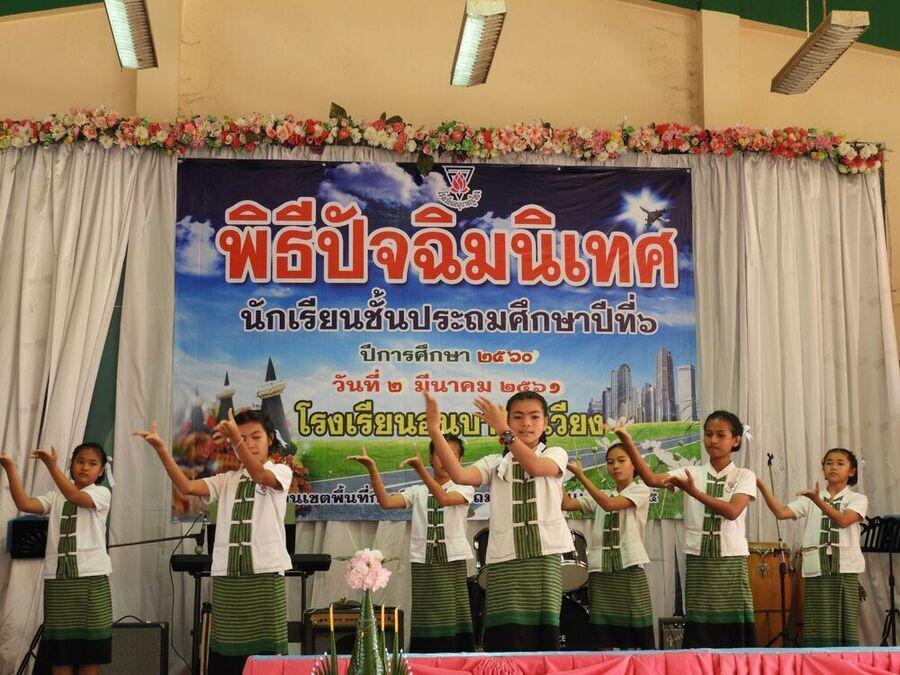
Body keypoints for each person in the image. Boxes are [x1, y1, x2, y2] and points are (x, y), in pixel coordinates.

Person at [134, 410, 292, 675]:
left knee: (266, 657)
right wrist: (161, 450)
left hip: (264, 576)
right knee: (228, 656)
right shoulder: (226, 479)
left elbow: (261, 477)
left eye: (256, 437)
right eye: (242, 438)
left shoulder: (280, 471)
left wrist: (236, 440)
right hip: (227, 578)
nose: (250, 444)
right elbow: (186, 487)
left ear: (271, 439)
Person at [425, 391, 573, 651]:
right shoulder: (495, 462)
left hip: (544, 557)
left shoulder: (555, 453)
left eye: (534, 417)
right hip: (504, 558)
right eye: (517, 417)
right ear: (508, 420)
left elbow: (536, 468)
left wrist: (504, 429)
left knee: (543, 636)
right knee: (506, 636)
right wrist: (435, 431)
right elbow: (460, 476)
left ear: (546, 423)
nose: (526, 423)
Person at [618, 410, 757, 647]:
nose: (713, 440)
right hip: (698, 559)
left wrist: (695, 493)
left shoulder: (744, 475)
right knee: (700, 627)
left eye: (720, 435)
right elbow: (651, 479)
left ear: (735, 440)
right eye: (708, 434)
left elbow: (732, 511)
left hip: (731, 561)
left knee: (734, 628)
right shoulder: (691, 472)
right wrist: (628, 443)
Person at [347, 436, 475, 652]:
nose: (445, 460)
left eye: (451, 455)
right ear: (431, 458)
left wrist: (420, 471)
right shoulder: (418, 491)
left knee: (453, 612)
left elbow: (444, 498)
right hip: (423, 562)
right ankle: (425, 659)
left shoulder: (464, 488)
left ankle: (455, 658)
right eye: (440, 455)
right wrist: (372, 469)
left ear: (460, 461)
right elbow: (386, 502)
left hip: (452, 561)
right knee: (426, 615)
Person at [1, 443, 112, 675]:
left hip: (91, 580)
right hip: (58, 582)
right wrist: (9, 467)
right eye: (80, 461)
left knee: (91, 654)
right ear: (71, 464)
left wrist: (51, 466)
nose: (84, 467)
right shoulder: (55, 496)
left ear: (101, 470)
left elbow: (75, 496)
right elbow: (24, 503)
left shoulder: (101, 493)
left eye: (92, 463)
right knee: (60, 654)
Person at [756, 448, 867, 646]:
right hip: (816, 568)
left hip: (845, 568)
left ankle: (845, 659)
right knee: (818, 622)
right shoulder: (811, 498)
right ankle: (818, 658)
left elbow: (843, 521)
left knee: (845, 621)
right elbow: (781, 513)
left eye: (840, 463)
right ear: (823, 470)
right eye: (828, 463)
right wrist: (761, 485)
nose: (833, 467)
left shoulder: (857, 499)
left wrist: (817, 500)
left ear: (852, 471)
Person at [562, 439, 654, 649]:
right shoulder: (602, 494)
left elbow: (610, 505)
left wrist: (582, 476)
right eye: (610, 462)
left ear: (635, 464)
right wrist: (557, 475)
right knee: (603, 634)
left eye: (621, 460)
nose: (615, 466)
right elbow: (566, 503)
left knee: (637, 632)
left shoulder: (641, 490)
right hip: (601, 571)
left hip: (629, 566)